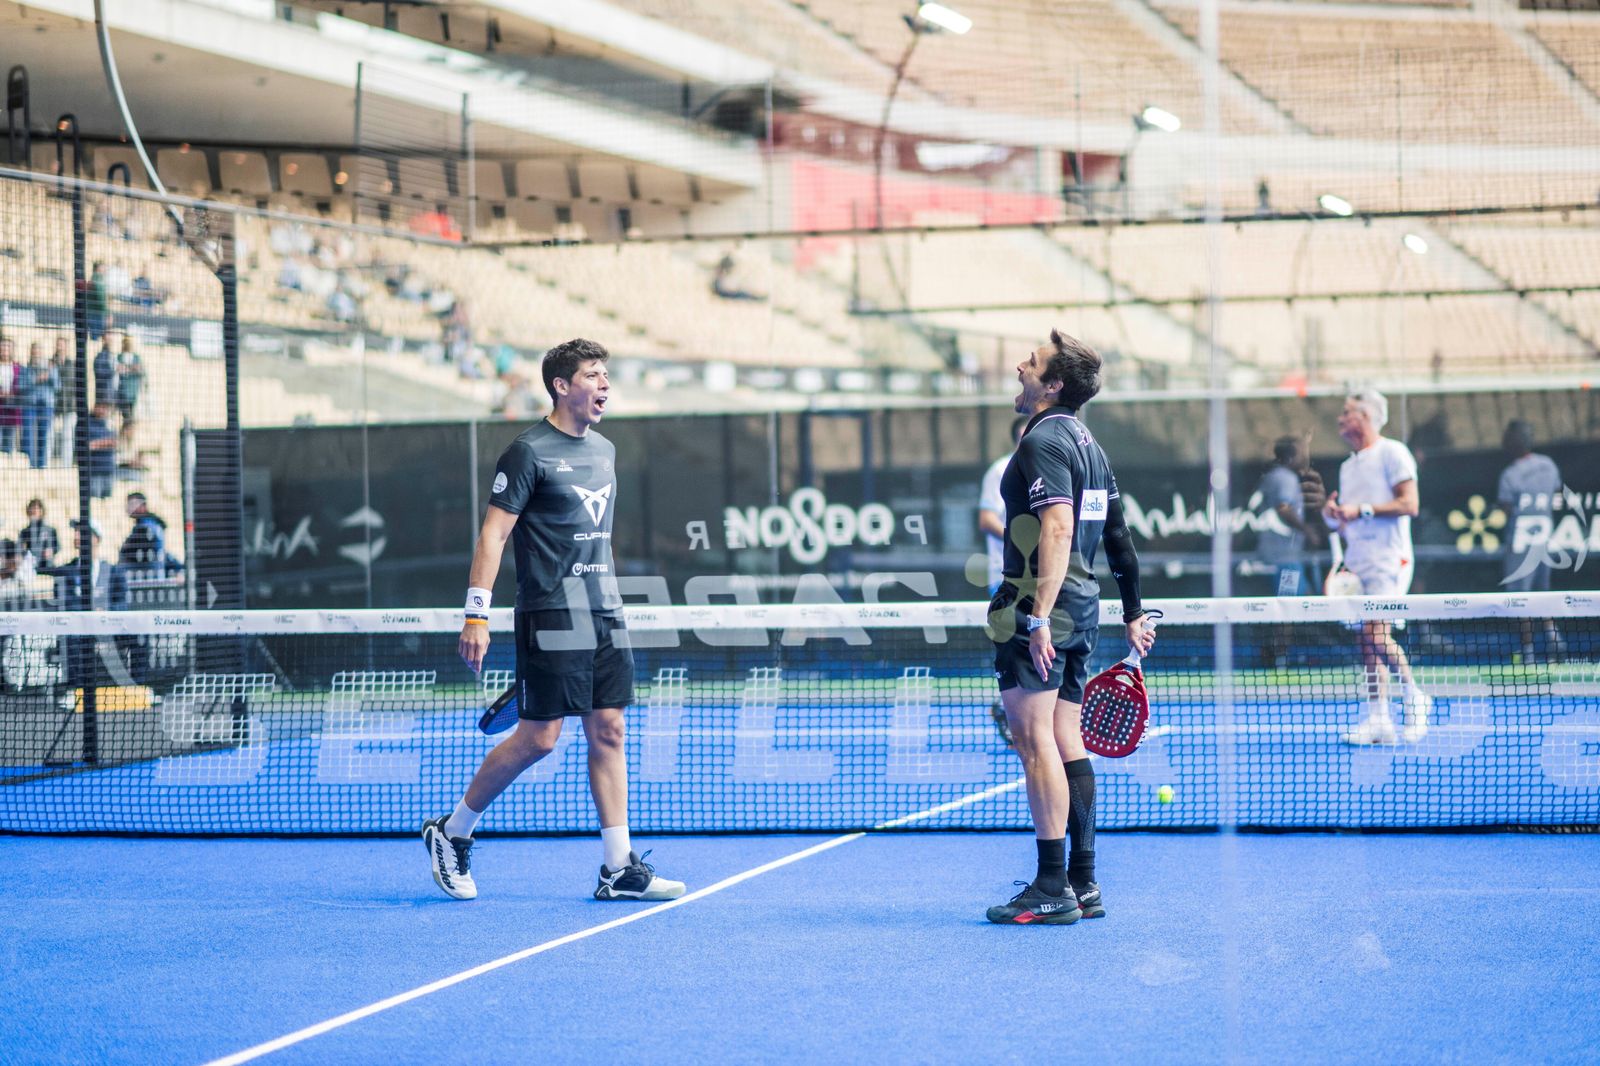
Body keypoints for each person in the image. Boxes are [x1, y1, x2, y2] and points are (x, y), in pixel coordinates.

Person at [424, 338, 685, 904]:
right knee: (540, 739)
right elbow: (494, 534)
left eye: (606, 375)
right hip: (549, 611)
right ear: (562, 386)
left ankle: (618, 868)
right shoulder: (527, 452)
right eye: (593, 375)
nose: (605, 384)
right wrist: (476, 613)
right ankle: (452, 832)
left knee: (609, 730)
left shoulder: (606, 450)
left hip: (604, 612)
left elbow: (596, 536)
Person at [984, 330, 1155, 926]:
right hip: (1084, 606)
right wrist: (1133, 611)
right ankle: (1083, 882)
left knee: (1035, 746)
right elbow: (1119, 539)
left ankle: (1052, 886)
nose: (1019, 366)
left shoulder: (1043, 439)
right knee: (1065, 740)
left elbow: (1056, 528)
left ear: (1053, 384)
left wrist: (1035, 615)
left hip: (1042, 605)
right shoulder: (1090, 444)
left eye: (1031, 363)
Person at [1322, 389, 1430, 745]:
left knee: (1375, 634)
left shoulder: (1393, 452)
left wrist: (1361, 509)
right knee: (1366, 643)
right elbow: (1348, 521)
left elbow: (1410, 503)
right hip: (1357, 562)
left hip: (1389, 559)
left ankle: (1415, 698)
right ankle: (1379, 718)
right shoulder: (1347, 466)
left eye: (1347, 412)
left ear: (1366, 417)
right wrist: (1335, 517)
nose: (1340, 418)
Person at [1497, 419, 1566, 658]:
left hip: (1521, 548)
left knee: (1521, 600)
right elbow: (1557, 496)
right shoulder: (1548, 465)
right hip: (1543, 543)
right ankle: (1553, 638)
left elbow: (1505, 510)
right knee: (1542, 593)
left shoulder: (1510, 474)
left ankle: (1528, 652)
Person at [980, 416, 1028, 747]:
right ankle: (1009, 708)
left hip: (1044, 580)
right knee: (1013, 649)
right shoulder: (1000, 471)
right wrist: (1019, 539)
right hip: (1005, 579)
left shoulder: (1053, 469)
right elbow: (986, 519)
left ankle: (1018, 710)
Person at [1254, 435, 1323, 597]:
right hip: (1284, 559)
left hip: (1285, 557)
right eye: (1301, 453)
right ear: (1291, 457)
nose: (1305, 457)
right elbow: (1283, 508)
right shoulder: (1285, 478)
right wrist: (1308, 531)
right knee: (1288, 609)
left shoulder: (1274, 476)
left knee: (1306, 600)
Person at [120, 492, 179, 577]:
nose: (128, 507)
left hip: (148, 576)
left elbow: (130, 552)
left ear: (143, 506)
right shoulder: (153, 524)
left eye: (132, 504)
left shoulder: (146, 527)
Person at [21, 343, 58, 468]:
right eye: (34, 351)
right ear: (31, 352)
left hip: (46, 405)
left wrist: (49, 375)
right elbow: (21, 387)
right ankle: (30, 464)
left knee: (44, 434)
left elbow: (58, 386)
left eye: (39, 351)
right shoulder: (25, 369)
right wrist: (36, 380)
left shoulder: (51, 368)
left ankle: (42, 464)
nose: (37, 353)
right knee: (28, 434)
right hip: (30, 405)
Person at [52, 336, 76, 467]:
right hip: (54, 404)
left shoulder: (72, 364)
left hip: (70, 405)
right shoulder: (51, 362)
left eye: (62, 344)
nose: (60, 347)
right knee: (49, 434)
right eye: (58, 344)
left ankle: (66, 464)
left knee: (68, 436)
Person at [86, 402, 117, 498]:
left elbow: (116, 442)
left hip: (108, 469)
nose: (104, 411)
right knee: (94, 499)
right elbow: (88, 445)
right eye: (102, 407)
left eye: (106, 408)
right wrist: (106, 443)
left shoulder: (108, 424)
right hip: (94, 471)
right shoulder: (86, 424)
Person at [18, 499, 59, 570]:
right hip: (31, 569)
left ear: (41, 511)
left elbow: (58, 546)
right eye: (32, 509)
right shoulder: (24, 532)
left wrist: (51, 551)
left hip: (48, 567)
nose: (34, 511)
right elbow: (20, 550)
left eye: (36, 509)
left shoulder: (50, 530)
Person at [115, 337, 144, 425]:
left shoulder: (136, 357)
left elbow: (141, 371)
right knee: (126, 418)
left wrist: (127, 368)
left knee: (130, 419)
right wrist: (132, 368)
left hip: (133, 393)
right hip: (122, 393)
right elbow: (118, 370)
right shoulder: (119, 357)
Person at [0, 337, 18, 454]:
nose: (5, 349)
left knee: (10, 439)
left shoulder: (17, 367)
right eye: (3, 346)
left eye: (8, 347)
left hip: (12, 407)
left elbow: (21, 385)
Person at [93, 335, 118, 409]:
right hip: (105, 395)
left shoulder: (112, 355)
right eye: (108, 340)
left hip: (112, 394)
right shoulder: (101, 356)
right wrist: (114, 371)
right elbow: (100, 373)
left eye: (111, 340)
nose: (110, 342)